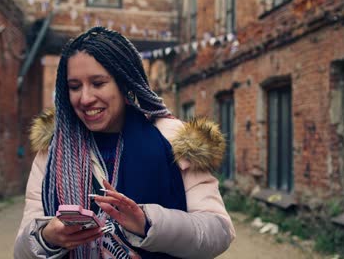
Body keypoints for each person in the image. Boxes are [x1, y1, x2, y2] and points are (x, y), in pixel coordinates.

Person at [14, 26, 235, 259]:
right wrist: (46, 237)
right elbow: (21, 250)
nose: (86, 98)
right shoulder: (53, 151)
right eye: (75, 87)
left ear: (124, 84)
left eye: (98, 83)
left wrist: (147, 223)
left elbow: (218, 231)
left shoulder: (176, 141)